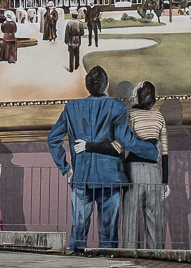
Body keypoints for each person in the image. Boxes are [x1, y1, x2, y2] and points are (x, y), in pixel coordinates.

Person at [47, 65, 158, 251]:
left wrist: (66, 168)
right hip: (110, 178)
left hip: (81, 177)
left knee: (79, 229)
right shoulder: (118, 107)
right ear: (106, 86)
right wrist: (151, 151)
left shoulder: (72, 107)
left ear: (87, 85)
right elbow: (126, 140)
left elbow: (52, 139)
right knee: (109, 231)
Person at [82, 80, 169, 249]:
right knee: (155, 217)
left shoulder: (129, 115)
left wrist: (90, 146)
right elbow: (165, 151)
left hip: (133, 171)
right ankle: (158, 256)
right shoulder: (159, 116)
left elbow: (118, 146)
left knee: (131, 217)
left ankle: (132, 257)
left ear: (136, 96)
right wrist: (165, 181)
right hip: (155, 172)